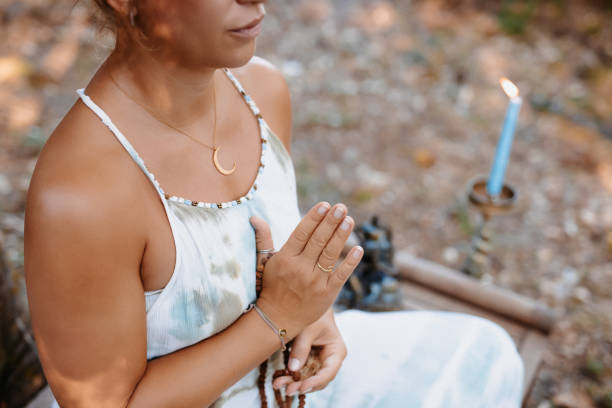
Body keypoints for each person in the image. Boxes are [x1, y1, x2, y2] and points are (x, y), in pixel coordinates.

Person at [24, 0, 525, 406]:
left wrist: (313, 315)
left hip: (290, 383)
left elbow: (265, 262)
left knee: (487, 355)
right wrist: (274, 320)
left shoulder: (262, 89)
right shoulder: (81, 196)